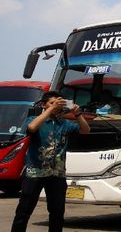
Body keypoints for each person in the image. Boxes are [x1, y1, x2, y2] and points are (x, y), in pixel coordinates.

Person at [11, 91, 90, 232]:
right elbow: (31, 128)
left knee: (57, 212)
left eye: (58, 103)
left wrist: (78, 114)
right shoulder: (34, 119)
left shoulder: (65, 123)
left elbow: (85, 130)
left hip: (57, 174)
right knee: (24, 210)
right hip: (35, 172)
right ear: (43, 104)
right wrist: (49, 111)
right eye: (52, 103)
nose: (56, 106)